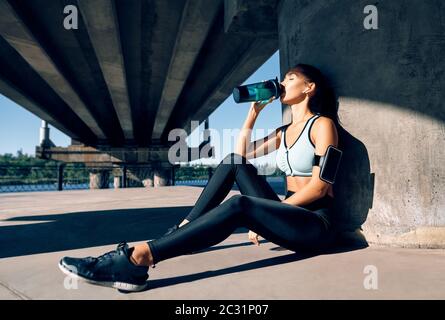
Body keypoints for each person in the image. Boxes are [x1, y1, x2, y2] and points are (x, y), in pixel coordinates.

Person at [59, 64, 341, 292]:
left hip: (315, 225)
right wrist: (252, 115)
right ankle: (182, 229)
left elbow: (319, 187)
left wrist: (265, 215)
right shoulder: (283, 132)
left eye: (290, 78)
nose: (282, 82)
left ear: (308, 87)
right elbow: (240, 156)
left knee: (239, 205)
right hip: (285, 215)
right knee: (232, 163)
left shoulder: (323, 125)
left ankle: (138, 258)